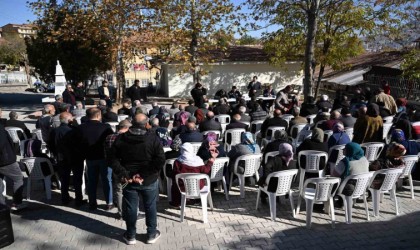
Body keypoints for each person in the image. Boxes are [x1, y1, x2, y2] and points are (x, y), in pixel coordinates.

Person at [110, 113, 165, 245]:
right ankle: (149, 234)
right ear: (146, 124)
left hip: (137, 178)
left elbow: (159, 160)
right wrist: (127, 174)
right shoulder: (151, 138)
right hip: (138, 179)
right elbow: (113, 159)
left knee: (131, 207)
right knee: (149, 206)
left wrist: (135, 174)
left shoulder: (122, 138)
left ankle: (131, 235)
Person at [76, 108, 114, 210]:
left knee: (92, 181)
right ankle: (109, 202)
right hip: (103, 157)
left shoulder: (81, 128)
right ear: (98, 115)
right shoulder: (105, 127)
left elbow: (79, 143)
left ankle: (92, 203)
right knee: (107, 180)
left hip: (89, 157)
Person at [49, 112, 86, 206]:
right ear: (70, 120)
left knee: (64, 179)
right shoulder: (74, 130)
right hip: (76, 158)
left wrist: (56, 154)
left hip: (61, 158)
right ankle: (78, 199)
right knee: (77, 179)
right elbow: (81, 142)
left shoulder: (54, 131)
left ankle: (64, 198)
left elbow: (51, 145)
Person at [170, 143, 217, 208]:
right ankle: (195, 200)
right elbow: (206, 171)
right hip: (198, 187)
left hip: (183, 187)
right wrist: (210, 162)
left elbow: (174, 175)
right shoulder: (197, 160)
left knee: (175, 185)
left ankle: (176, 204)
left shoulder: (178, 161)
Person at [104, 119, 132, 220]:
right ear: (127, 128)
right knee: (130, 190)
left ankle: (121, 213)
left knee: (118, 190)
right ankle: (132, 212)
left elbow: (106, 152)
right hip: (126, 166)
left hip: (114, 166)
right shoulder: (128, 137)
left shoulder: (109, 137)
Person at [0, 124, 27, 211]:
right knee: (18, 178)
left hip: (4, 159)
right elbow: (2, 143)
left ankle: (1, 205)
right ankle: (17, 203)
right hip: (5, 160)